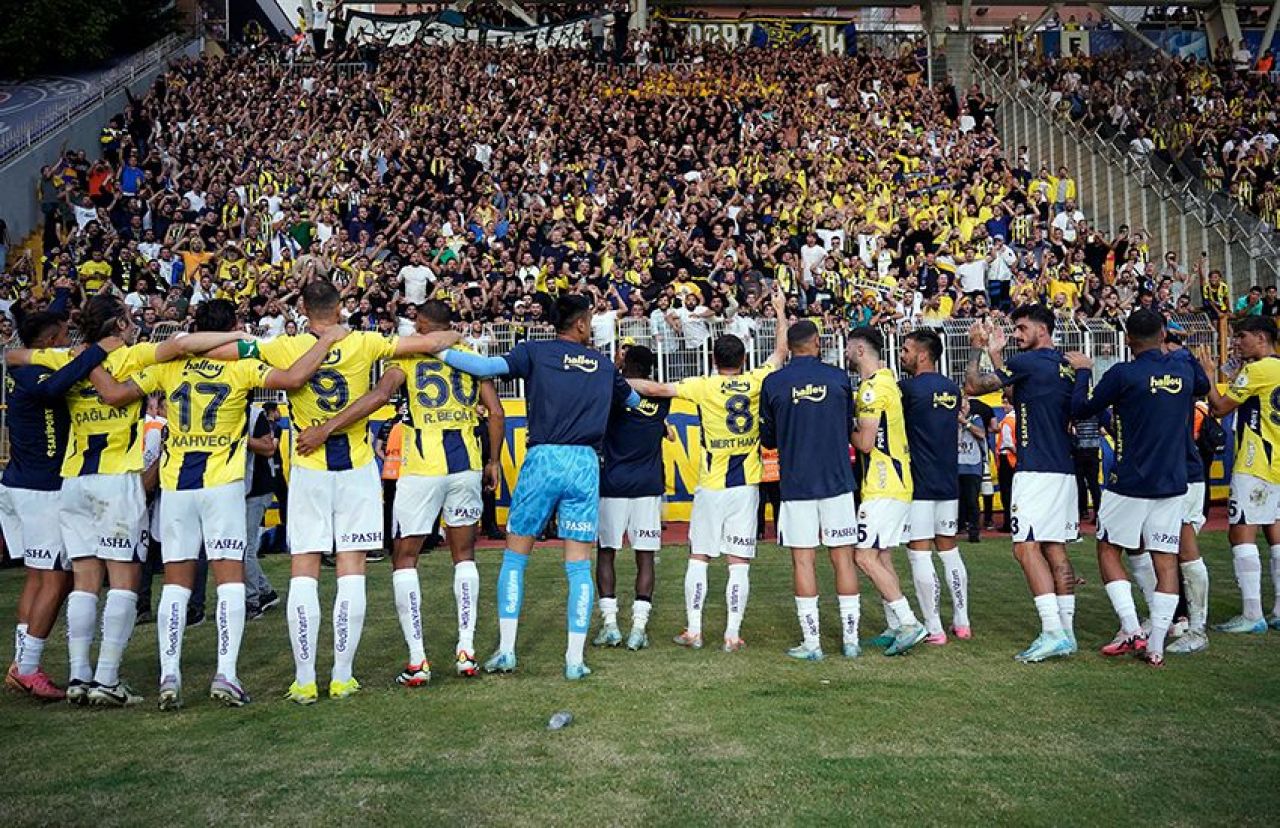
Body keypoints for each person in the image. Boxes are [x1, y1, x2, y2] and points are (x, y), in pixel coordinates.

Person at [205, 280, 461, 703]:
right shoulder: (364, 341)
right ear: (341, 306)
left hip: (308, 466)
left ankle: (305, 679)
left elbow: (215, 353)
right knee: (351, 568)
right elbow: (439, 338)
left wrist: (238, 337)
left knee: (304, 568)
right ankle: (342, 676)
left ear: (302, 307)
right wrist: (452, 333)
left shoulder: (285, 347)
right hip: (357, 467)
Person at [90, 299, 344, 707]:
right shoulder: (241, 366)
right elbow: (296, 378)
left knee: (175, 583)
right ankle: (225, 673)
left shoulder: (168, 367)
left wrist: (85, 357)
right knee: (229, 582)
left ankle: (169, 677)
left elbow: (115, 395)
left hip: (177, 486)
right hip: (223, 484)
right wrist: (327, 340)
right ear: (232, 327)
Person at [9, 294, 246, 705]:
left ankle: (80, 677)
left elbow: (13, 356)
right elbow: (183, 345)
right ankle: (106, 679)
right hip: (117, 478)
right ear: (118, 324)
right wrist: (243, 338)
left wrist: (84, 354)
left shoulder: (67, 355)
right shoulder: (135, 355)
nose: (134, 322)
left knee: (84, 580)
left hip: (74, 478)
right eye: (129, 317)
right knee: (123, 580)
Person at [434, 294, 641, 680]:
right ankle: (574, 661)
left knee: (516, 558)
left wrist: (437, 353)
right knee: (579, 566)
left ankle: (507, 651)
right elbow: (632, 399)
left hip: (543, 459)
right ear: (580, 325)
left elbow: (483, 366)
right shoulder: (603, 366)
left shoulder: (535, 351)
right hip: (584, 462)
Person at [297, 300, 504, 684]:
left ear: (426, 326)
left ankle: (418, 660)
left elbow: (378, 397)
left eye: (416, 324)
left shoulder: (407, 361)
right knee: (464, 555)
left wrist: (326, 429)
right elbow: (495, 412)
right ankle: (466, 650)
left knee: (405, 557)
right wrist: (493, 461)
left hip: (421, 468)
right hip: (466, 466)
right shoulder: (470, 356)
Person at [626, 288, 788, 653]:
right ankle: (732, 634)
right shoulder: (755, 380)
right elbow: (780, 353)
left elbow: (654, 387)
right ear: (744, 358)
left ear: (714, 359)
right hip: (746, 484)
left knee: (700, 556)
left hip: (712, 484)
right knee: (738, 562)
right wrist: (779, 311)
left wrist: (615, 380)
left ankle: (695, 631)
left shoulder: (703, 385)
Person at [1067, 309, 1207, 667]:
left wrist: (1083, 370)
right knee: (1166, 561)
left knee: (1109, 549)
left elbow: (1081, 408)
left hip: (1129, 482)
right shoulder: (1182, 368)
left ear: (1127, 339)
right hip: (1173, 482)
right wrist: (1183, 353)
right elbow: (1204, 386)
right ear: (1163, 334)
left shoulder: (1123, 374)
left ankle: (1131, 626)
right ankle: (1157, 645)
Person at [1, 310, 118, 700]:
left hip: (25, 486)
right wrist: (95, 352)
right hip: (41, 489)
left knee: (38, 577)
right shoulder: (33, 373)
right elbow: (54, 388)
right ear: (51, 338)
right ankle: (28, 666)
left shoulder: (27, 363)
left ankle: (21, 663)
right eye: (64, 334)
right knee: (56, 578)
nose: (68, 339)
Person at [965, 305, 1079, 663]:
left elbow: (975, 385)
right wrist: (998, 354)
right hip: (1062, 467)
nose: (1016, 335)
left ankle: (1051, 632)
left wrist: (977, 348)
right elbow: (1018, 395)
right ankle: (1067, 633)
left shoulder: (1030, 362)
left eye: (1021, 328)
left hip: (1036, 469)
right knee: (1054, 548)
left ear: (1042, 330)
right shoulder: (1062, 364)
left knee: (1024, 548)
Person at [759, 320, 859, 660]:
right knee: (842, 559)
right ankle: (851, 640)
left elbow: (768, 439)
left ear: (789, 345)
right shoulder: (839, 378)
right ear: (817, 342)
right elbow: (849, 429)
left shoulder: (773, 383)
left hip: (796, 484)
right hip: (837, 480)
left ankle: (812, 643)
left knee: (803, 561)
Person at [847, 326, 928, 656]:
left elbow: (865, 443)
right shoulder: (885, 381)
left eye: (850, 348)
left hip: (883, 484)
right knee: (880, 555)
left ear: (861, 350)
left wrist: (841, 429)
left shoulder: (871, 390)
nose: (847, 353)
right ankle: (897, 626)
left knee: (863, 556)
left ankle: (909, 622)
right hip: (896, 481)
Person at [1198, 315, 1280, 633]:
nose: (1236, 342)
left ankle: (1251, 614)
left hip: (1254, 463)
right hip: (1276, 464)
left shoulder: (1257, 370)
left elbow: (1219, 408)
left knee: (1240, 533)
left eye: (1241, 336)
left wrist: (1207, 376)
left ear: (1260, 337)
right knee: (1275, 535)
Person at [593, 345, 671, 652]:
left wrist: (615, 371)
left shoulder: (612, 395)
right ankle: (638, 629)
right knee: (645, 556)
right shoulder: (662, 398)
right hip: (648, 485)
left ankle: (610, 625)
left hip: (612, 484)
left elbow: (606, 383)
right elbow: (647, 388)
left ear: (626, 365)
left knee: (606, 553)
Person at [899, 329, 972, 645]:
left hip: (919, 482)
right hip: (947, 480)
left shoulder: (908, 390)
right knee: (949, 549)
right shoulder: (951, 389)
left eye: (906, 350)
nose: (902, 355)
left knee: (919, 553)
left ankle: (934, 627)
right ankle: (962, 621)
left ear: (923, 354)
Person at [1166, 336, 1213, 655]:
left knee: (1183, 548)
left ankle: (1195, 627)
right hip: (1176, 473)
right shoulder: (1183, 371)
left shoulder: (1178, 371)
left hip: (1183, 474)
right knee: (1163, 548)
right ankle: (1177, 618)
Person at [244, 402, 281, 620]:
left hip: (257, 488)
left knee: (244, 548)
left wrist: (238, 439)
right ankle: (265, 592)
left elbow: (269, 448)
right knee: (239, 547)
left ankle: (253, 601)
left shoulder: (253, 414)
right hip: (241, 488)